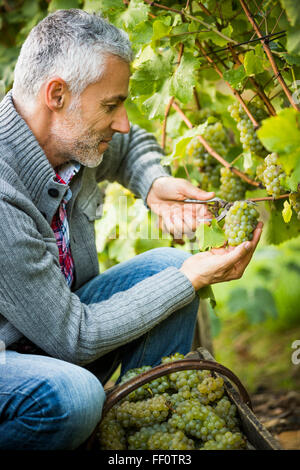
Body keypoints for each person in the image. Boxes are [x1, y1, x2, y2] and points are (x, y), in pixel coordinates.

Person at [0, 9, 262, 450]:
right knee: (75, 399)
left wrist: (153, 183)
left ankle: (143, 439)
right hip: (15, 356)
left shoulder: (64, 136)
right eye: (111, 105)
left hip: (48, 333)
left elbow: (129, 146)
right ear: (57, 94)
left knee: (171, 268)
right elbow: (73, 337)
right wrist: (190, 279)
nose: (122, 121)